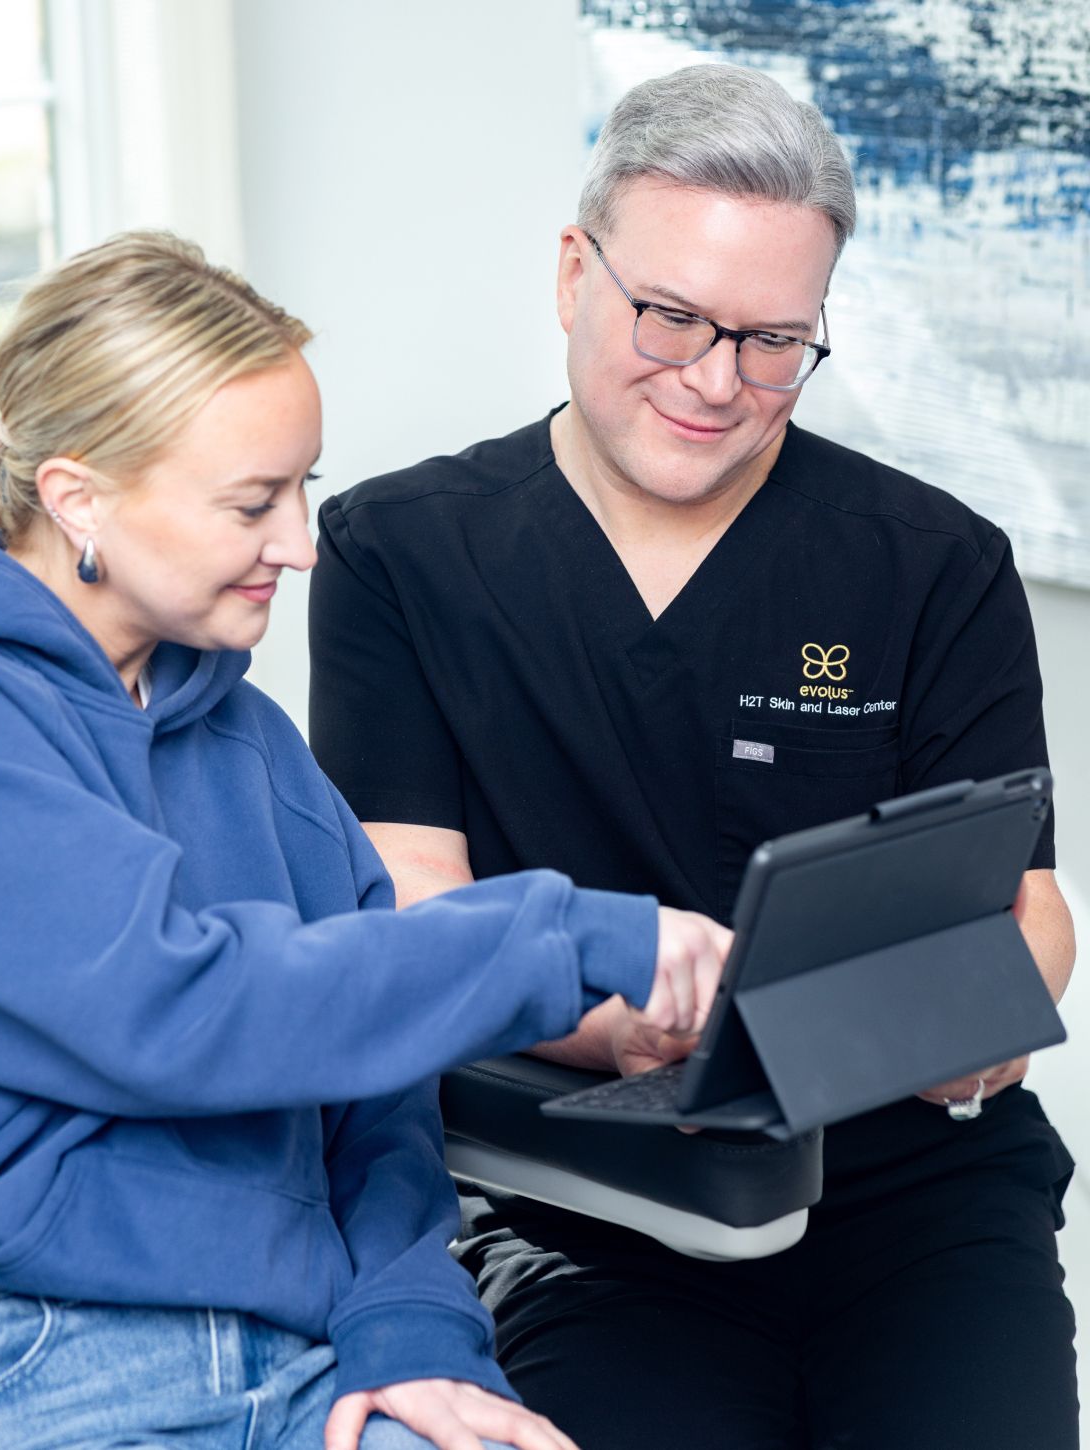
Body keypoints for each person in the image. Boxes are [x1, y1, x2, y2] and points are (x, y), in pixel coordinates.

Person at [308, 64, 1079, 1450]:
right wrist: (628, 1030)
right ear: (573, 274)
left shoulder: (931, 561)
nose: (715, 382)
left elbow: (1025, 914)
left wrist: (964, 1039)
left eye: (774, 340)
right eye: (670, 317)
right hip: (587, 1198)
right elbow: (408, 915)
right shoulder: (400, 553)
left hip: (912, 1192)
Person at [0, 232, 732, 1450]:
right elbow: (175, 1007)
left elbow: (375, 1092)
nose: (298, 543)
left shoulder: (253, 747)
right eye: (251, 503)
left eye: (304, 491)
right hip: (13, 1359)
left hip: (290, 1365)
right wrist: (571, 934)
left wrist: (416, 1338)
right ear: (78, 496)